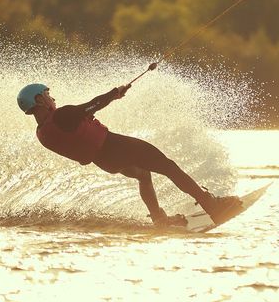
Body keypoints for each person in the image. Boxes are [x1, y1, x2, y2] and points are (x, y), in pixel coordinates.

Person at [18, 82, 242, 227]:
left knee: (143, 175)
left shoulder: (43, 133)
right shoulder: (61, 116)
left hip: (105, 161)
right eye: (48, 94)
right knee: (168, 166)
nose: (52, 98)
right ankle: (211, 205)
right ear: (39, 100)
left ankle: (159, 219)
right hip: (114, 147)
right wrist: (114, 94)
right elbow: (92, 105)